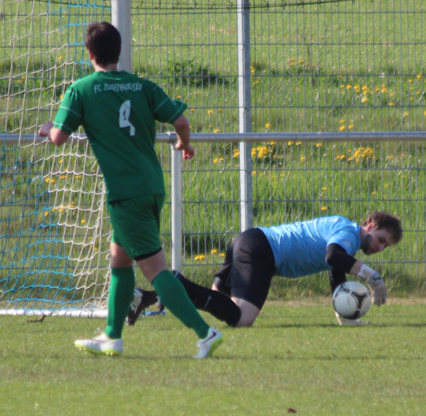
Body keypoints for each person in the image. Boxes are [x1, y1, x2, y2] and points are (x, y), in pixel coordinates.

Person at [38, 22, 222, 359]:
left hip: (125, 192)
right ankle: (112, 335)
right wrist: (184, 144)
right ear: (118, 52)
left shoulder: (81, 89)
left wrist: (49, 127)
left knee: (155, 271)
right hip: (151, 184)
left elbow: (59, 138)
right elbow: (180, 121)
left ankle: (205, 332)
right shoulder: (143, 86)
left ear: (89, 53)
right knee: (119, 260)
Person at [130, 212, 403, 328]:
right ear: (369, 224)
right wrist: (372, 276)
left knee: (217, 301)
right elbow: (334, 256)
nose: (379, 247)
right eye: (381, 239)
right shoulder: (348, 232)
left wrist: (345, 315)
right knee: (241, 318)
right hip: (261, 250)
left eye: (385, 247)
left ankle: (150, 296)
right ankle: (176, 279)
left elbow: (335, 267)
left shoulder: (347, 238)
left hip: (250, 239)